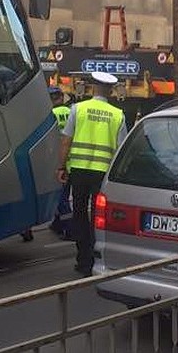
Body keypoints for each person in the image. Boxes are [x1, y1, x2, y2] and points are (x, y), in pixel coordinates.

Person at [57, 72, 127, 276]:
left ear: (93, 89)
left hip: (78, 170)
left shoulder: (78, 109)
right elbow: (120, 148)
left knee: (79, 213)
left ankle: (83, 258)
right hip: (102, 174)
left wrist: (61, 167)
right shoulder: (117, 114)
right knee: (98, 217)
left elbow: (65, 141)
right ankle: (96, 256)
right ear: (111, 91)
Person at [48, 86, 73, 239]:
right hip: (72, 162)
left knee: (61, 198)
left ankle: (69, 229)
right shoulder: (71, 113)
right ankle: (57, 224)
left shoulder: (51, 114)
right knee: (63, 194)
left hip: (58, 162)